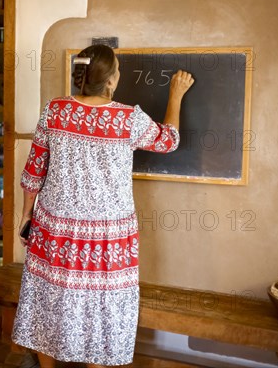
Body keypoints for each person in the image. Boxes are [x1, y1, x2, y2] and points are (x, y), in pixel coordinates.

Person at [12, 44, 194, 368]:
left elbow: (33, 172)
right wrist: (176, 94)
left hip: (54, 230)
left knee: (49, 300)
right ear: (110, 81)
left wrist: (26, 216)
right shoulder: (127, 118)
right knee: (102, 309)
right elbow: (169, 140)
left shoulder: (54, 111)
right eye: (118, 70)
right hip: (106, 239)